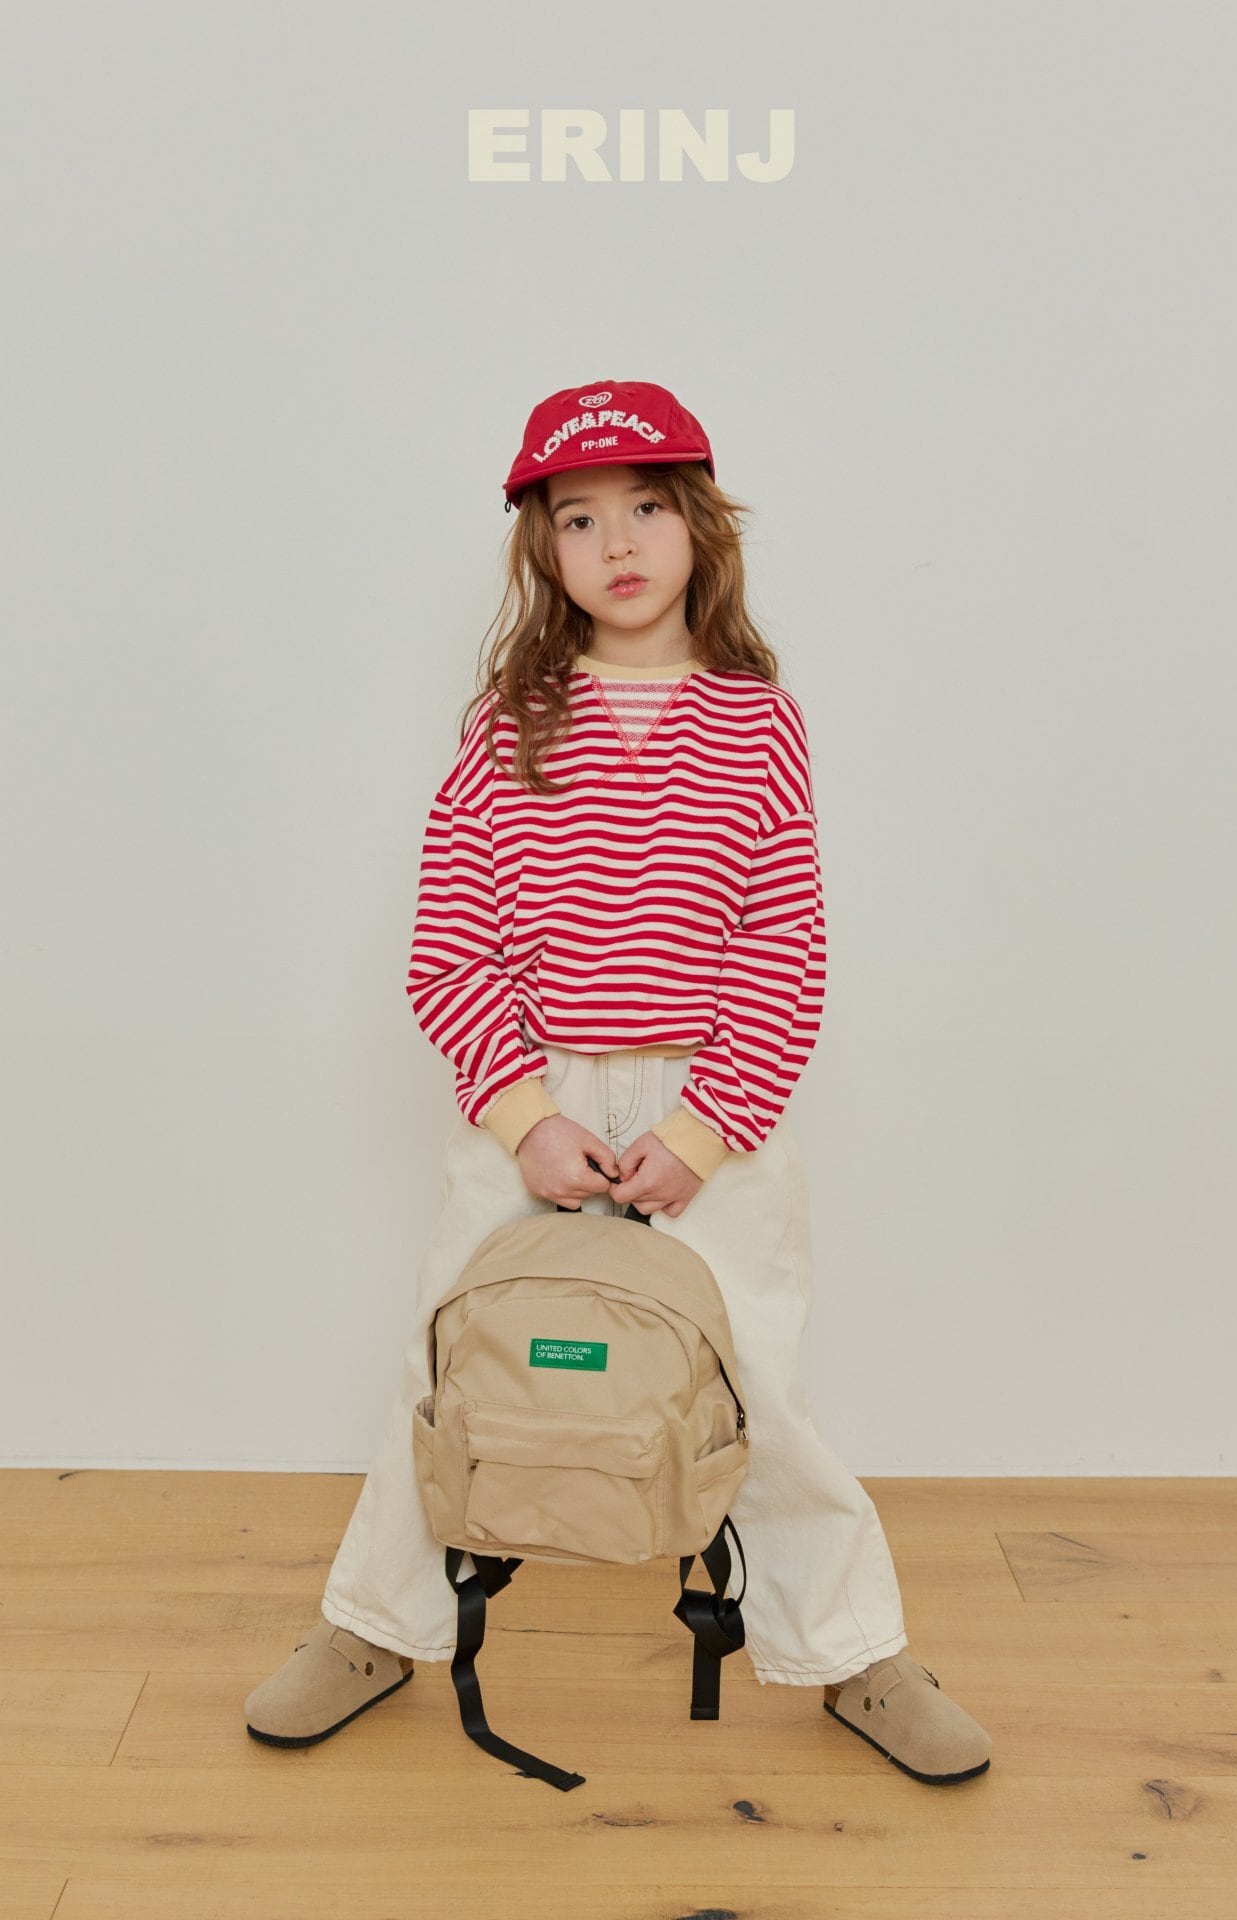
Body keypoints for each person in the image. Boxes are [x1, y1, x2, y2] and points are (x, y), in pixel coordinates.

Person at [244, 379, 992, 1785]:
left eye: (648, 507)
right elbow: (450, 948)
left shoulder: (760, 723)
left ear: (701, 525)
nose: (621, 542)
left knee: (755, 1382)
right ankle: (373, 1625)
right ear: (545, 548)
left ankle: (854, 1652)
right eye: (581, 518)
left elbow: (783, 949)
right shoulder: (506, 722)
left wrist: (704, 1134)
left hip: (714, 1104)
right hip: (532, 1101)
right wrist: (528, 1120)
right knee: (449, 1366)